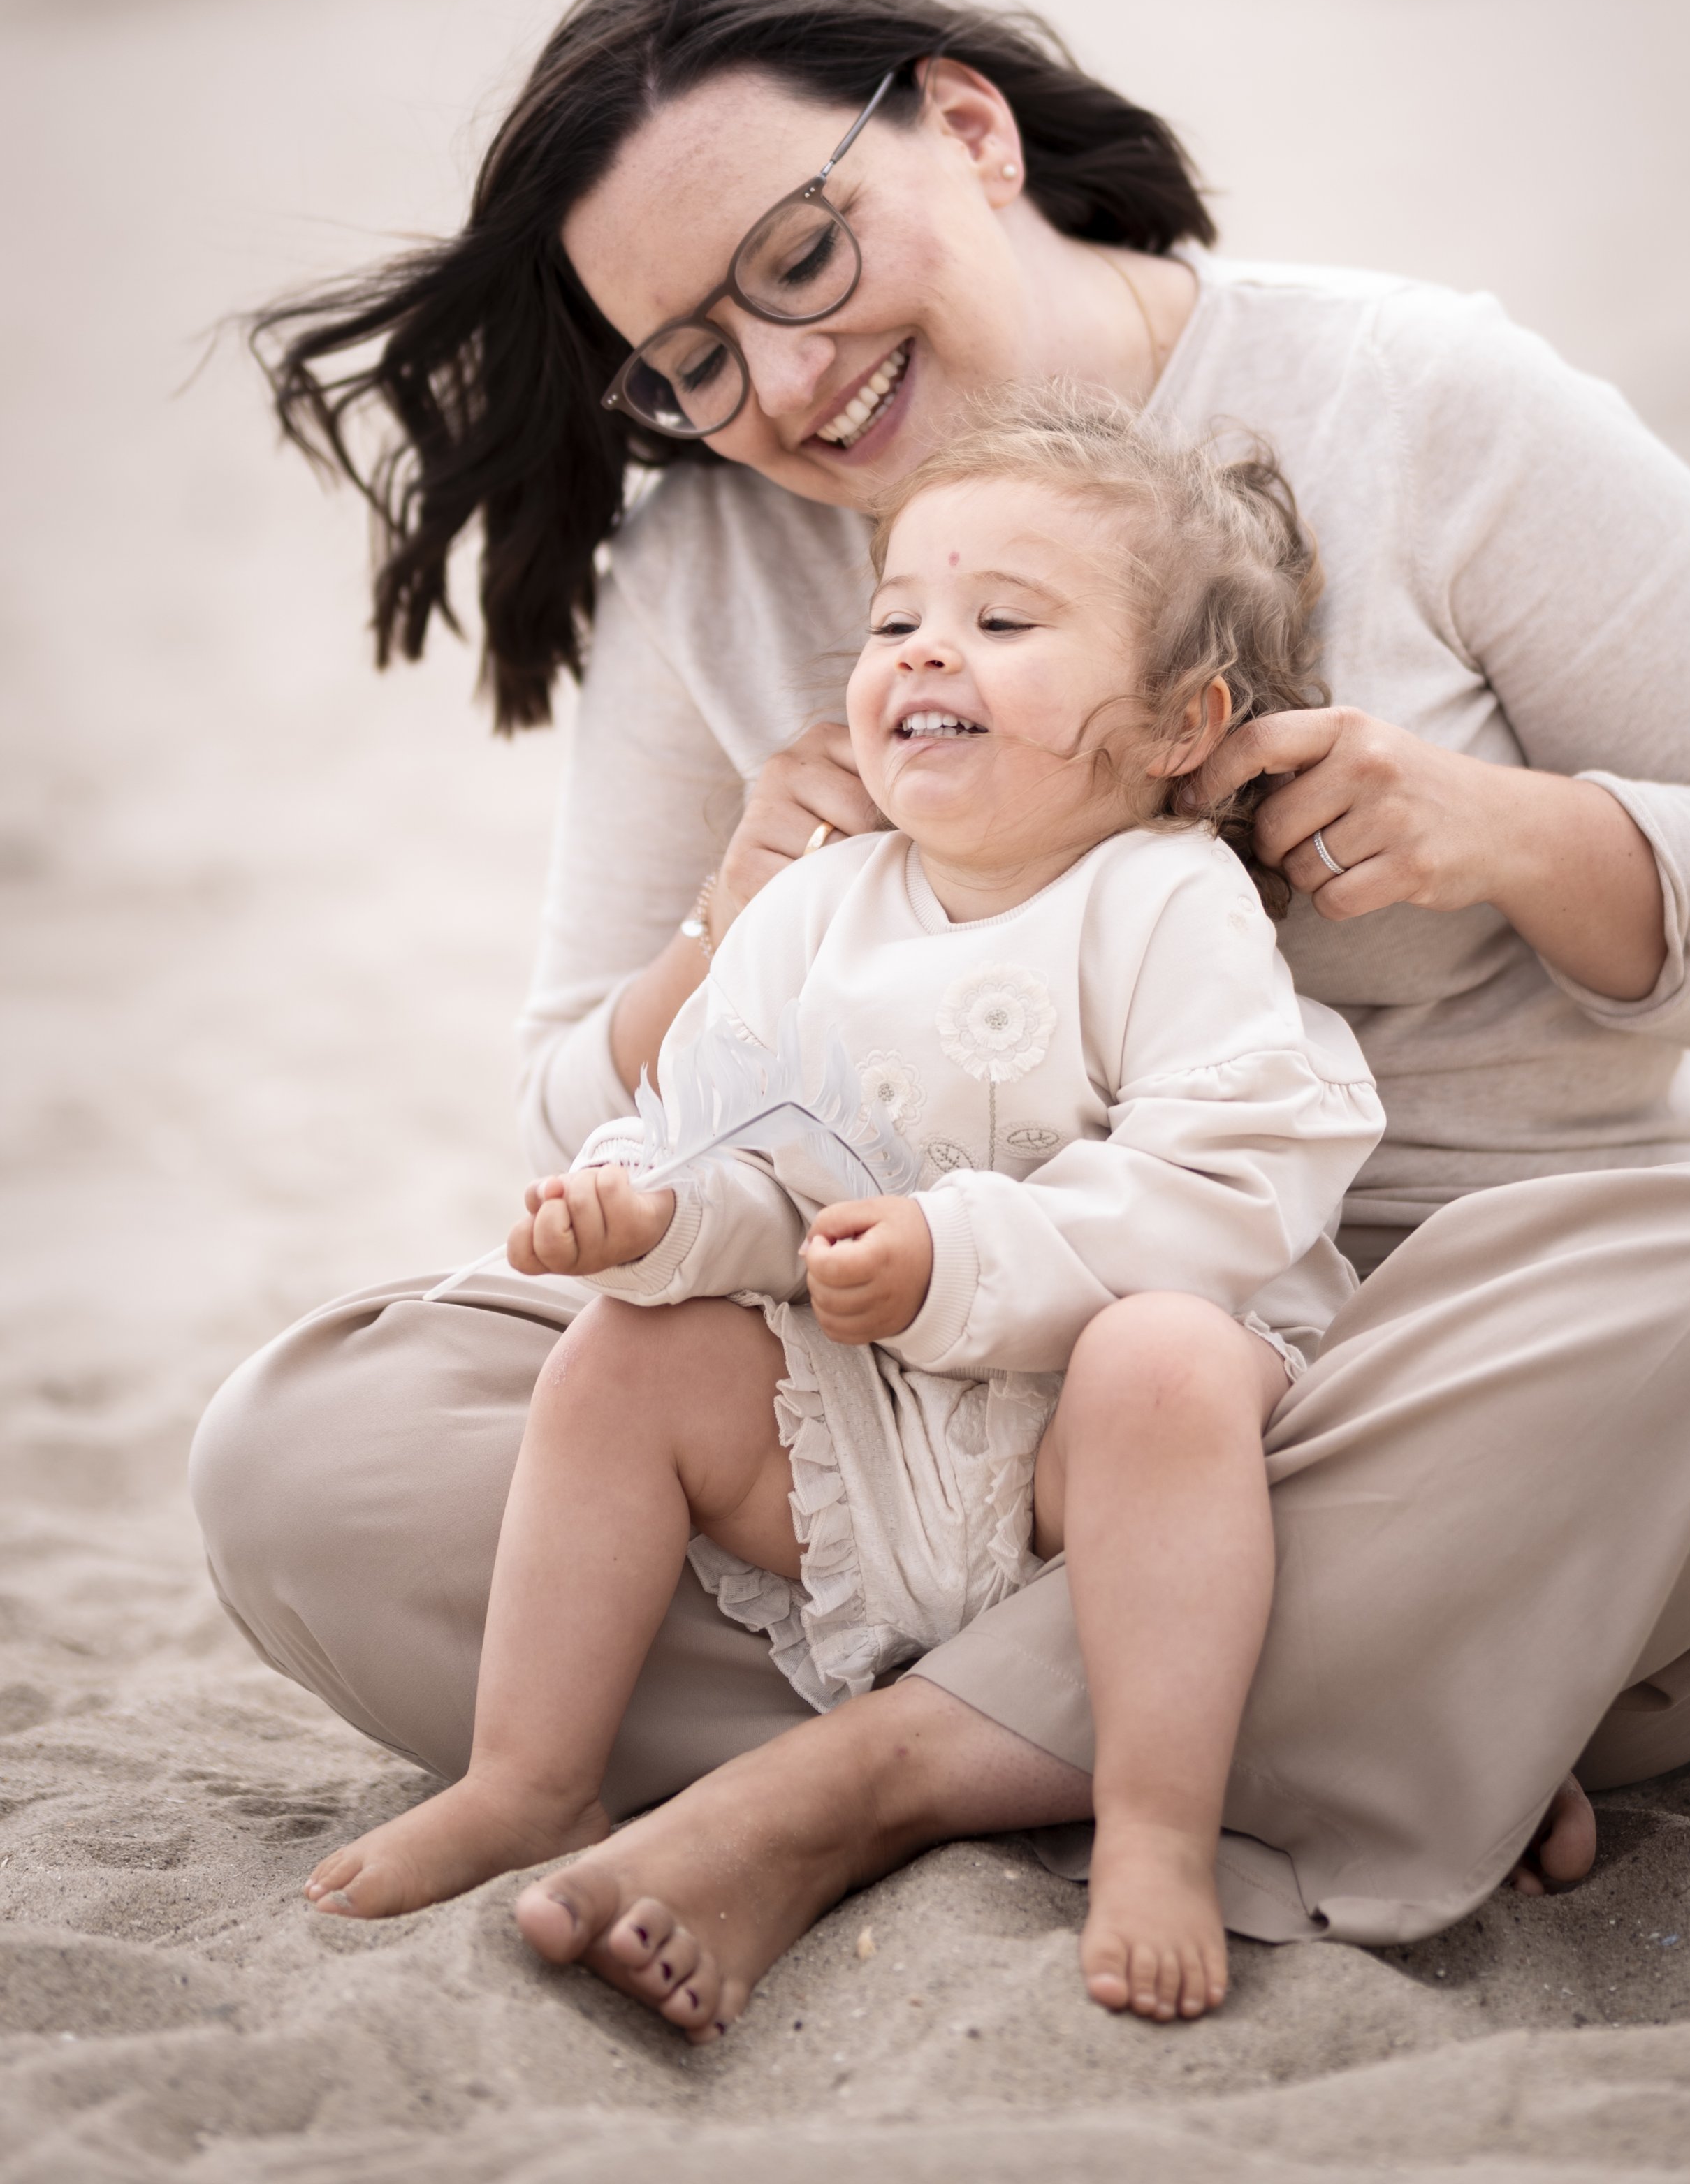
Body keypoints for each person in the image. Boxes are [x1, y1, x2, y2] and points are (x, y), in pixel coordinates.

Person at [190, 0, 1690, 2047]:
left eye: (803, 258)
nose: (788, 382)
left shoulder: (1416, 399)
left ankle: (887, 1769)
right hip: (910, 1406)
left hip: (1422, 1361)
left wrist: (1535, 840)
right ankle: (1335, 1709)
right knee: (306, 1453)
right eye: (692, 362)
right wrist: (717, 929)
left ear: (965, 126)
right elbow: (580, 1101)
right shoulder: (709, 572)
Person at [298, 407, 1385, 2028]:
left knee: (1163, 1358)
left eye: (1002, 622)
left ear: (1178, 723)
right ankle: (531, 1774)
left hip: (1105, 1466)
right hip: (881, 1445)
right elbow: (745, 1162)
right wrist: (652, 1218)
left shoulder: (1164, 901)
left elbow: (1227, 1180)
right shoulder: (812, 905)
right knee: (628, 1351)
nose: (926, 650)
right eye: (895, 622)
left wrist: (957, 1257)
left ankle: (1154, 1827)